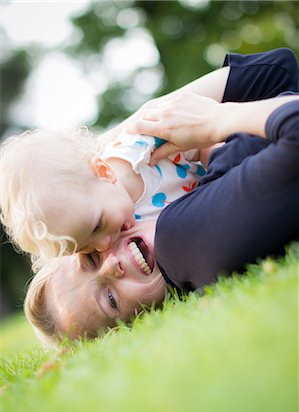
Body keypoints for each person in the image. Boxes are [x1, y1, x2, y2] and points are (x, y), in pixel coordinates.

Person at [23, 48, 299, 346]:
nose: (109, 264)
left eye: (90, 258)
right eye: (111, 299)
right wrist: (217, 120)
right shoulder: (180, 241)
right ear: (138, 321)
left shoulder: (180, 188)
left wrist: (136, 129)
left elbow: (276, 71)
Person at [0, 127, 205, 270]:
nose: (103, 245)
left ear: (104, 172)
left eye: (98, 226)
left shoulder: (142, 150)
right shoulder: (120, 235)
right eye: (84, 249)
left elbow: (201, 140)